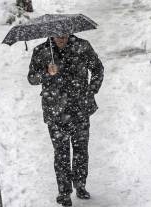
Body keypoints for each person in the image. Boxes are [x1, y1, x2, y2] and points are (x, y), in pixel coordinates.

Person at [28, 35, 104, 206]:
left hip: (80, 108)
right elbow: (31, 78)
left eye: (64, 35)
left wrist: (91, 90)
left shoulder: (82, 46)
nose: (61, 38)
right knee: (61, 153)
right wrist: (46, 72)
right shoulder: (41, 51)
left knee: (80, 150)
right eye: (57, 36)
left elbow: (98, 69)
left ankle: (80, 185)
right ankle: (64, 192)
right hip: (55, 111)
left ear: (70, 31)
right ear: (51, 35)